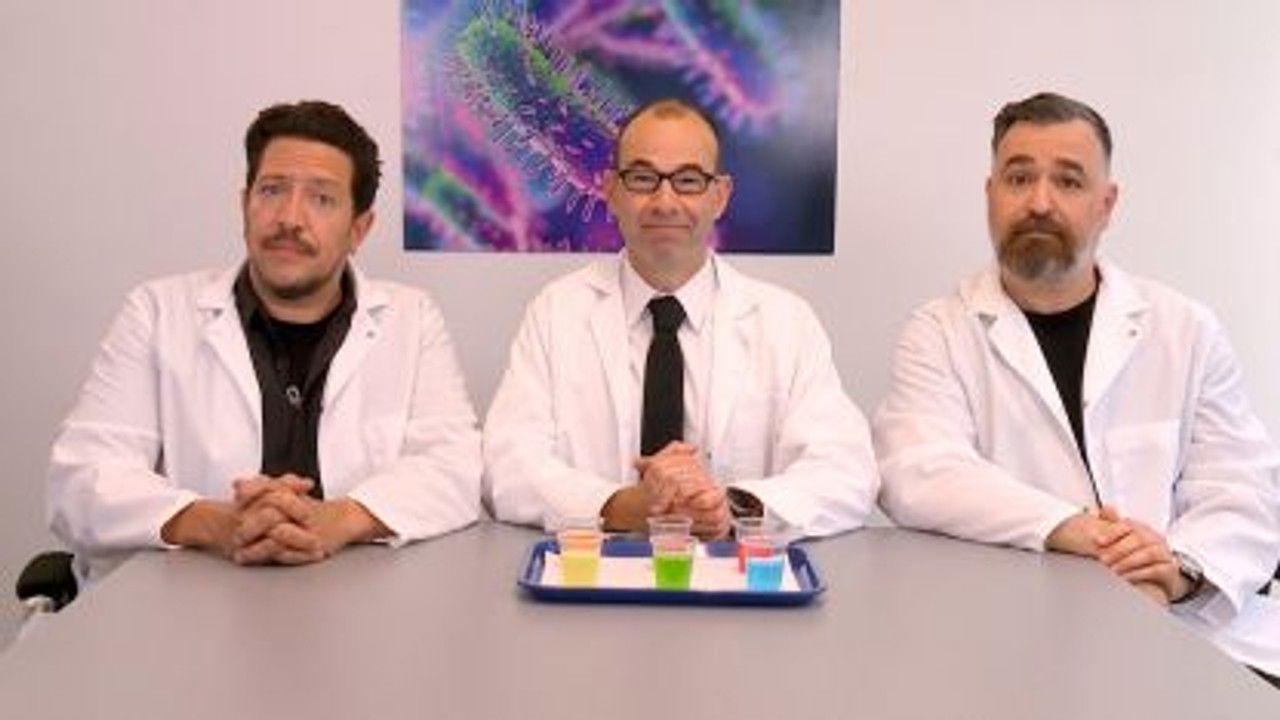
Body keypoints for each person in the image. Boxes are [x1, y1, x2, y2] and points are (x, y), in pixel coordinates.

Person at [873, 91, 1280, 684]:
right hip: (1017, 638)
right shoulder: (939, 332)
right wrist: (1074, 529)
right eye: (1019, 178)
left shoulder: (1184, 329)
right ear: (990, 195)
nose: (1040, 202)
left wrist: (1173, 571)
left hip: (1190, 629)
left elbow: (1243, 490)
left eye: (1068, 181)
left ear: (1105, 204)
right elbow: (918, 471)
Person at [47, 100, 482, 582]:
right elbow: (81, 482)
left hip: (357, 602)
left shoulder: (411, 319)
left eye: (321, 198)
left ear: (359, 229)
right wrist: (216, 524)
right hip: (189, 601)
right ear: (245, 205)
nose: (290, 218)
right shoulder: (156, 312)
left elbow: (455, 470)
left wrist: (338, 520)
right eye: (272, 190)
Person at [484, 98, 878, 540]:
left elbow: (847, 471)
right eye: (643, 178)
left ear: (720, 195)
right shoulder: (556, 313)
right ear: (611, 191)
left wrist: (730, 507)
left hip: (736, 576)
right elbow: (508, 466)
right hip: (592, 575)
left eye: (688, 180)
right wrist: (623, 507)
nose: (665, 201)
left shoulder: (786, 323)